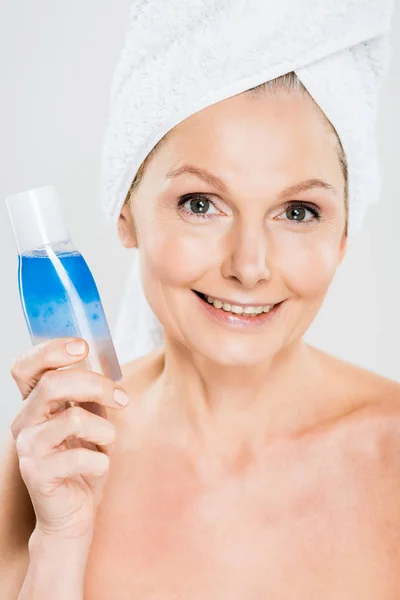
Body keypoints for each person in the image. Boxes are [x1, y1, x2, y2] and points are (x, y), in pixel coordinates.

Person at [1, 70, 400, 599]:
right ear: (126, 214)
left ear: (343, 235)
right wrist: (61, 541)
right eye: (200, 204)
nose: (249, 265)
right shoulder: (56, 458)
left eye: (298, 212)